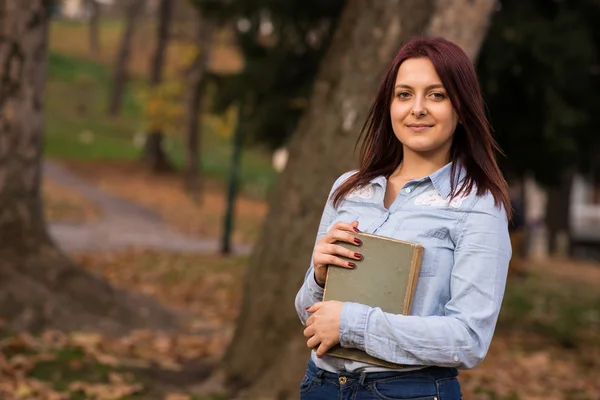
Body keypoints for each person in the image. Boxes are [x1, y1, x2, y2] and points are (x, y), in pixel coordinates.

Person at [294, 36, 512, 400]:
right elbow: (309, 316)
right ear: (389, 105)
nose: (418, 109)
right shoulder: (349, 189)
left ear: (462, 107)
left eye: (437, 95)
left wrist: (352, 324)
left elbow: (469, 339)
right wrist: (318, 276)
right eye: (404, 94)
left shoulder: (477, 205)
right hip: (322, 385)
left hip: (408, 391)